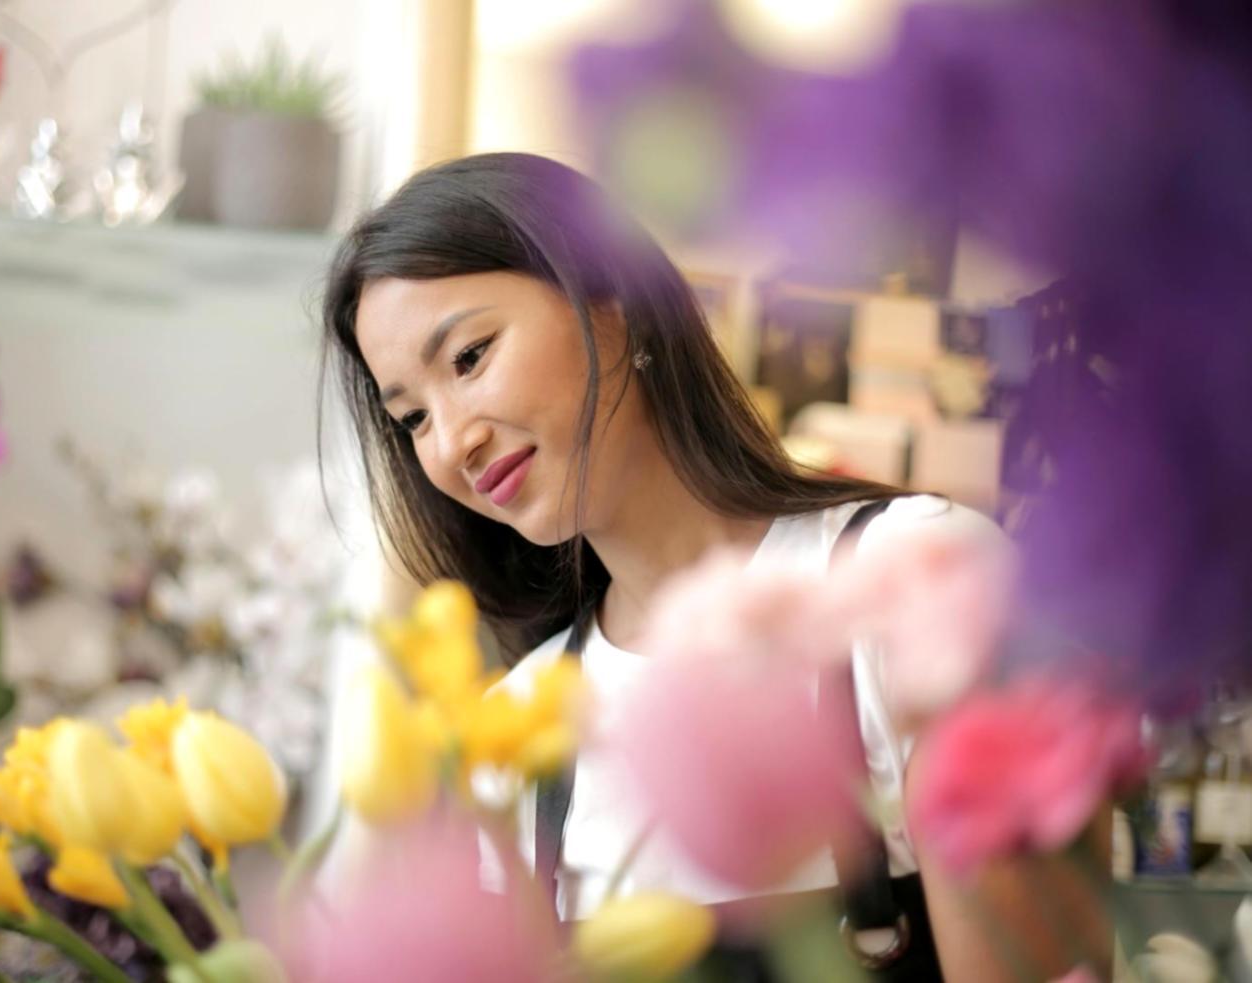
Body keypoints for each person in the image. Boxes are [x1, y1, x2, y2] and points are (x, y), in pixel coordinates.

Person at [321, 152, 1109, 981]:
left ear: (617, 301)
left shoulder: (913, 582)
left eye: (470, 357)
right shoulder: (517, 726)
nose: (452, 442)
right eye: (411, 418)